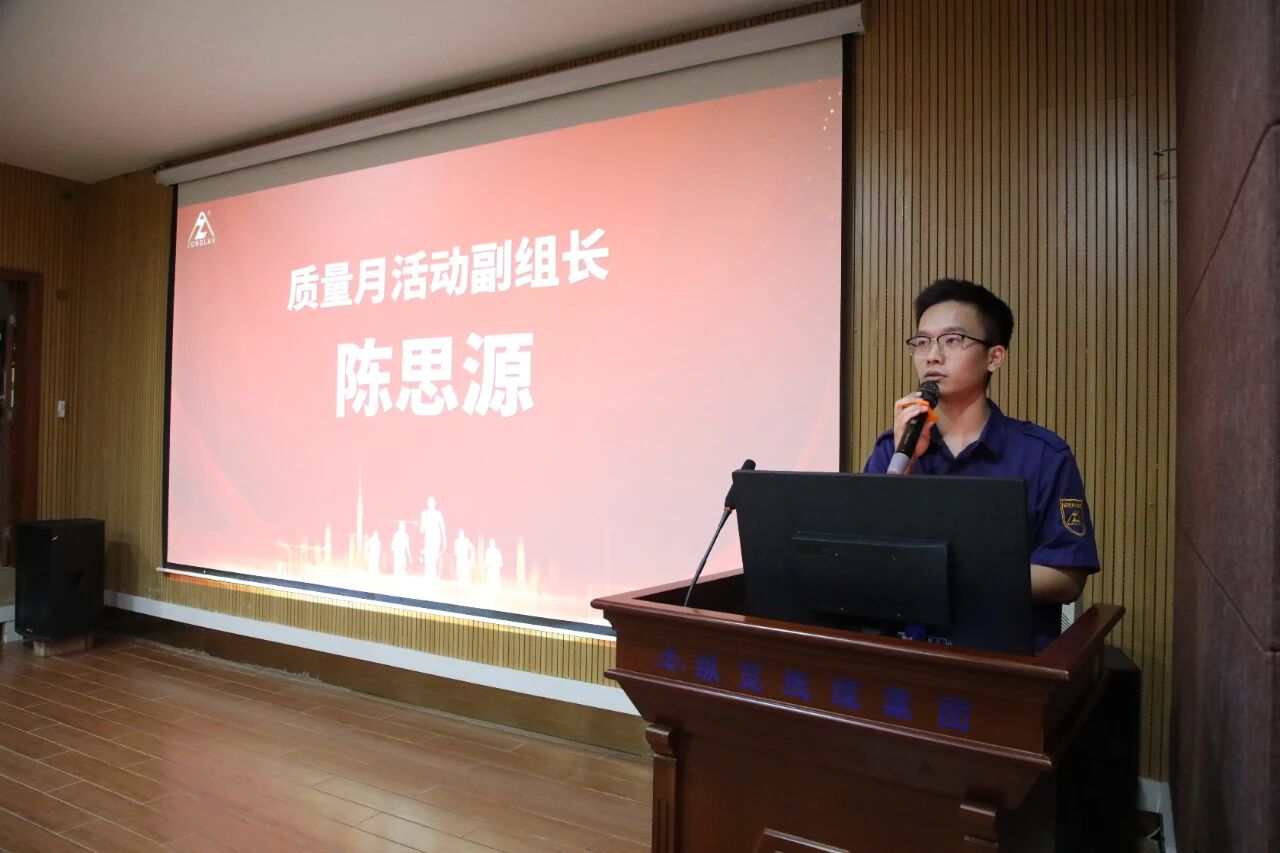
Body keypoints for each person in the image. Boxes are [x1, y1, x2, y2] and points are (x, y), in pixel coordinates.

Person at [863, 278, 1099, 646]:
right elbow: (862, 557)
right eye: (922, 342)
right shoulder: (892, 450)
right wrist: (904, 466)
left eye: (952, 340)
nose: (932, 356)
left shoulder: (1042, 455)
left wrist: (947, 580)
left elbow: (1065, 576)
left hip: (1004, 657)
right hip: (906, 652)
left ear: (994, 357)